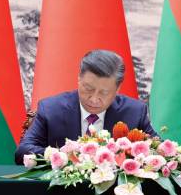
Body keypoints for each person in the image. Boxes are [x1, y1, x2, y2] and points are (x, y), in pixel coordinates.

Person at [15, 49, 157, 164]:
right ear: (79, 79)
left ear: (117, 89)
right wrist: (66, 156)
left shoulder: (134, 112)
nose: (94, 99)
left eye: (104, 92)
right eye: (88, 88)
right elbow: (23, 152)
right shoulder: (51, 109)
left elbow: (159, 150)